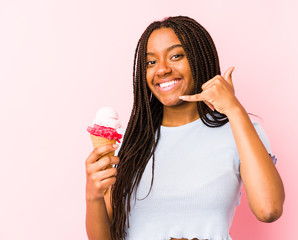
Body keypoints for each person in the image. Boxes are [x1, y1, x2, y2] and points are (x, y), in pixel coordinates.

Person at [85, 16, 285, 240]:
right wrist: (93, 196)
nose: (161, 70)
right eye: (150, 62)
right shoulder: (129, 142)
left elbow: (269, 209)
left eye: (175, 56)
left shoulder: (240, 131)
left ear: (199, 59)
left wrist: (234, 109)